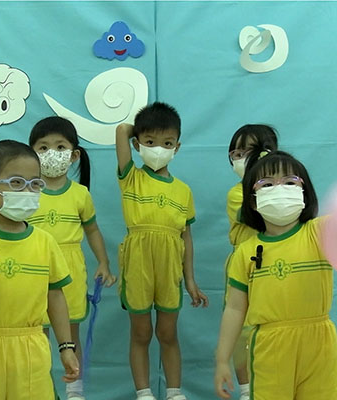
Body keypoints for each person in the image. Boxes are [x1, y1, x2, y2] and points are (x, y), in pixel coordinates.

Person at [0, 139, 79, 400]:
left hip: (32, 350)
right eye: (16, 183)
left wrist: (66, 347)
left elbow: (55, 296)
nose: (28, 191)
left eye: (35, 183)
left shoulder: (45, 242)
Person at [215, 149, 337, 399]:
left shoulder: (320, 233)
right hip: (270, 347)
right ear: (252, 200)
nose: (279, 189)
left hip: (321, 345)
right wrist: (222, 360)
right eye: (267, 184)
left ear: (304, 192)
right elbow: (235, 309)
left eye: (290, 182)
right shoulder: (245, 253)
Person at [116, 102, 209, 400]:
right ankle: (144, 392)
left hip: (170, 266)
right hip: (138, 263)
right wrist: (142, 129)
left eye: (167, 143)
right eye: (150, 142)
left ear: (177, 147)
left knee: (168, 333)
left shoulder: (183, 190)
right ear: (137, 144)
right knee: (141, 333)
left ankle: (174, 391)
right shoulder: (131, 177)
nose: (159, 149)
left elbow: (186, 238)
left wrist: (190, 280)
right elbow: (121, 130)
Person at [28, 116, 116, 400]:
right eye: (43, 148)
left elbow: (92, 230)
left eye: (60, 146)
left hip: (70, 272)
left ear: (74, 155)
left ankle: (74, 390)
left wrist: (103, 263)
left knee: (70, 335)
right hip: (34, 270)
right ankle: (39, 389)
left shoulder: (80, 194)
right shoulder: (27, 194)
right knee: (37, 336)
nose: (51, 153)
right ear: (31, 154)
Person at [225, 124, 278, 400]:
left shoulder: (286, 191)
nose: (243, 158)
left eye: (252, 151)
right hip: (245, 269)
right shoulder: (237, 193)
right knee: (242, 333)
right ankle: (246, 390)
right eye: (237, 153)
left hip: (277, 267)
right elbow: (259, 217)